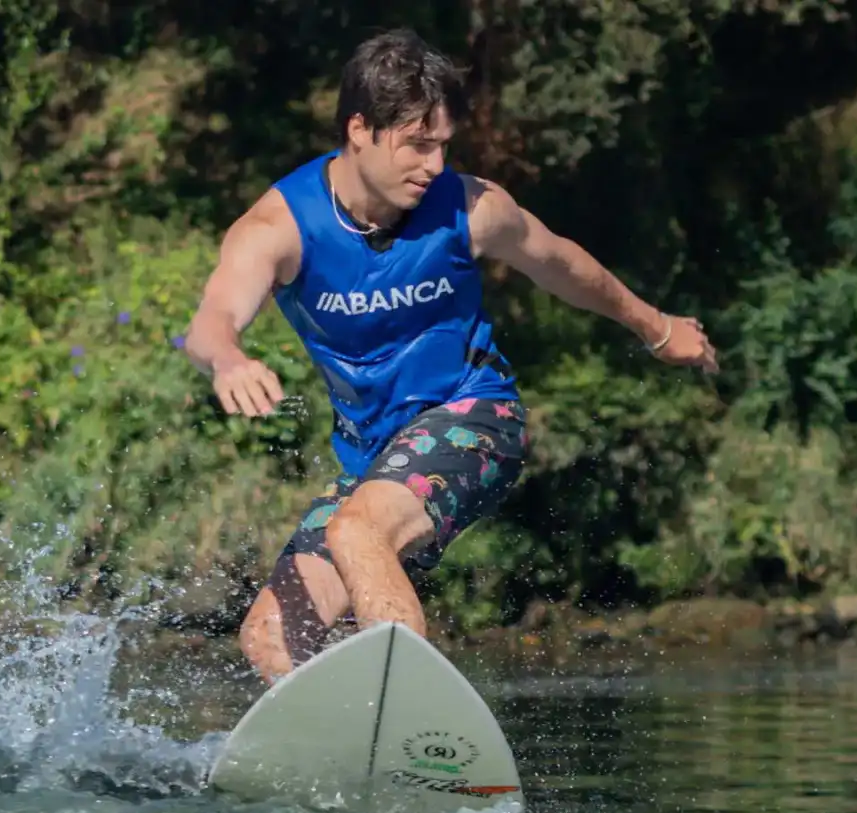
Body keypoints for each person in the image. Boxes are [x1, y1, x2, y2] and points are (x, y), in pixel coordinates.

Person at [182, 28, 716, 685]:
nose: (433, 164)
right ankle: (351, 761)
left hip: (475, 419)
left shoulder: (471, 209)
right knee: (269, 636)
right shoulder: (280, 228)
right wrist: (228, 360)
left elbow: (563, 266)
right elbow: (211, 320)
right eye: (416, 143)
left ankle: (412, 725)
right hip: (373, 458)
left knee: (356, 534)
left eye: (442, 144)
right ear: (359, 129)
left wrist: (656, 327)